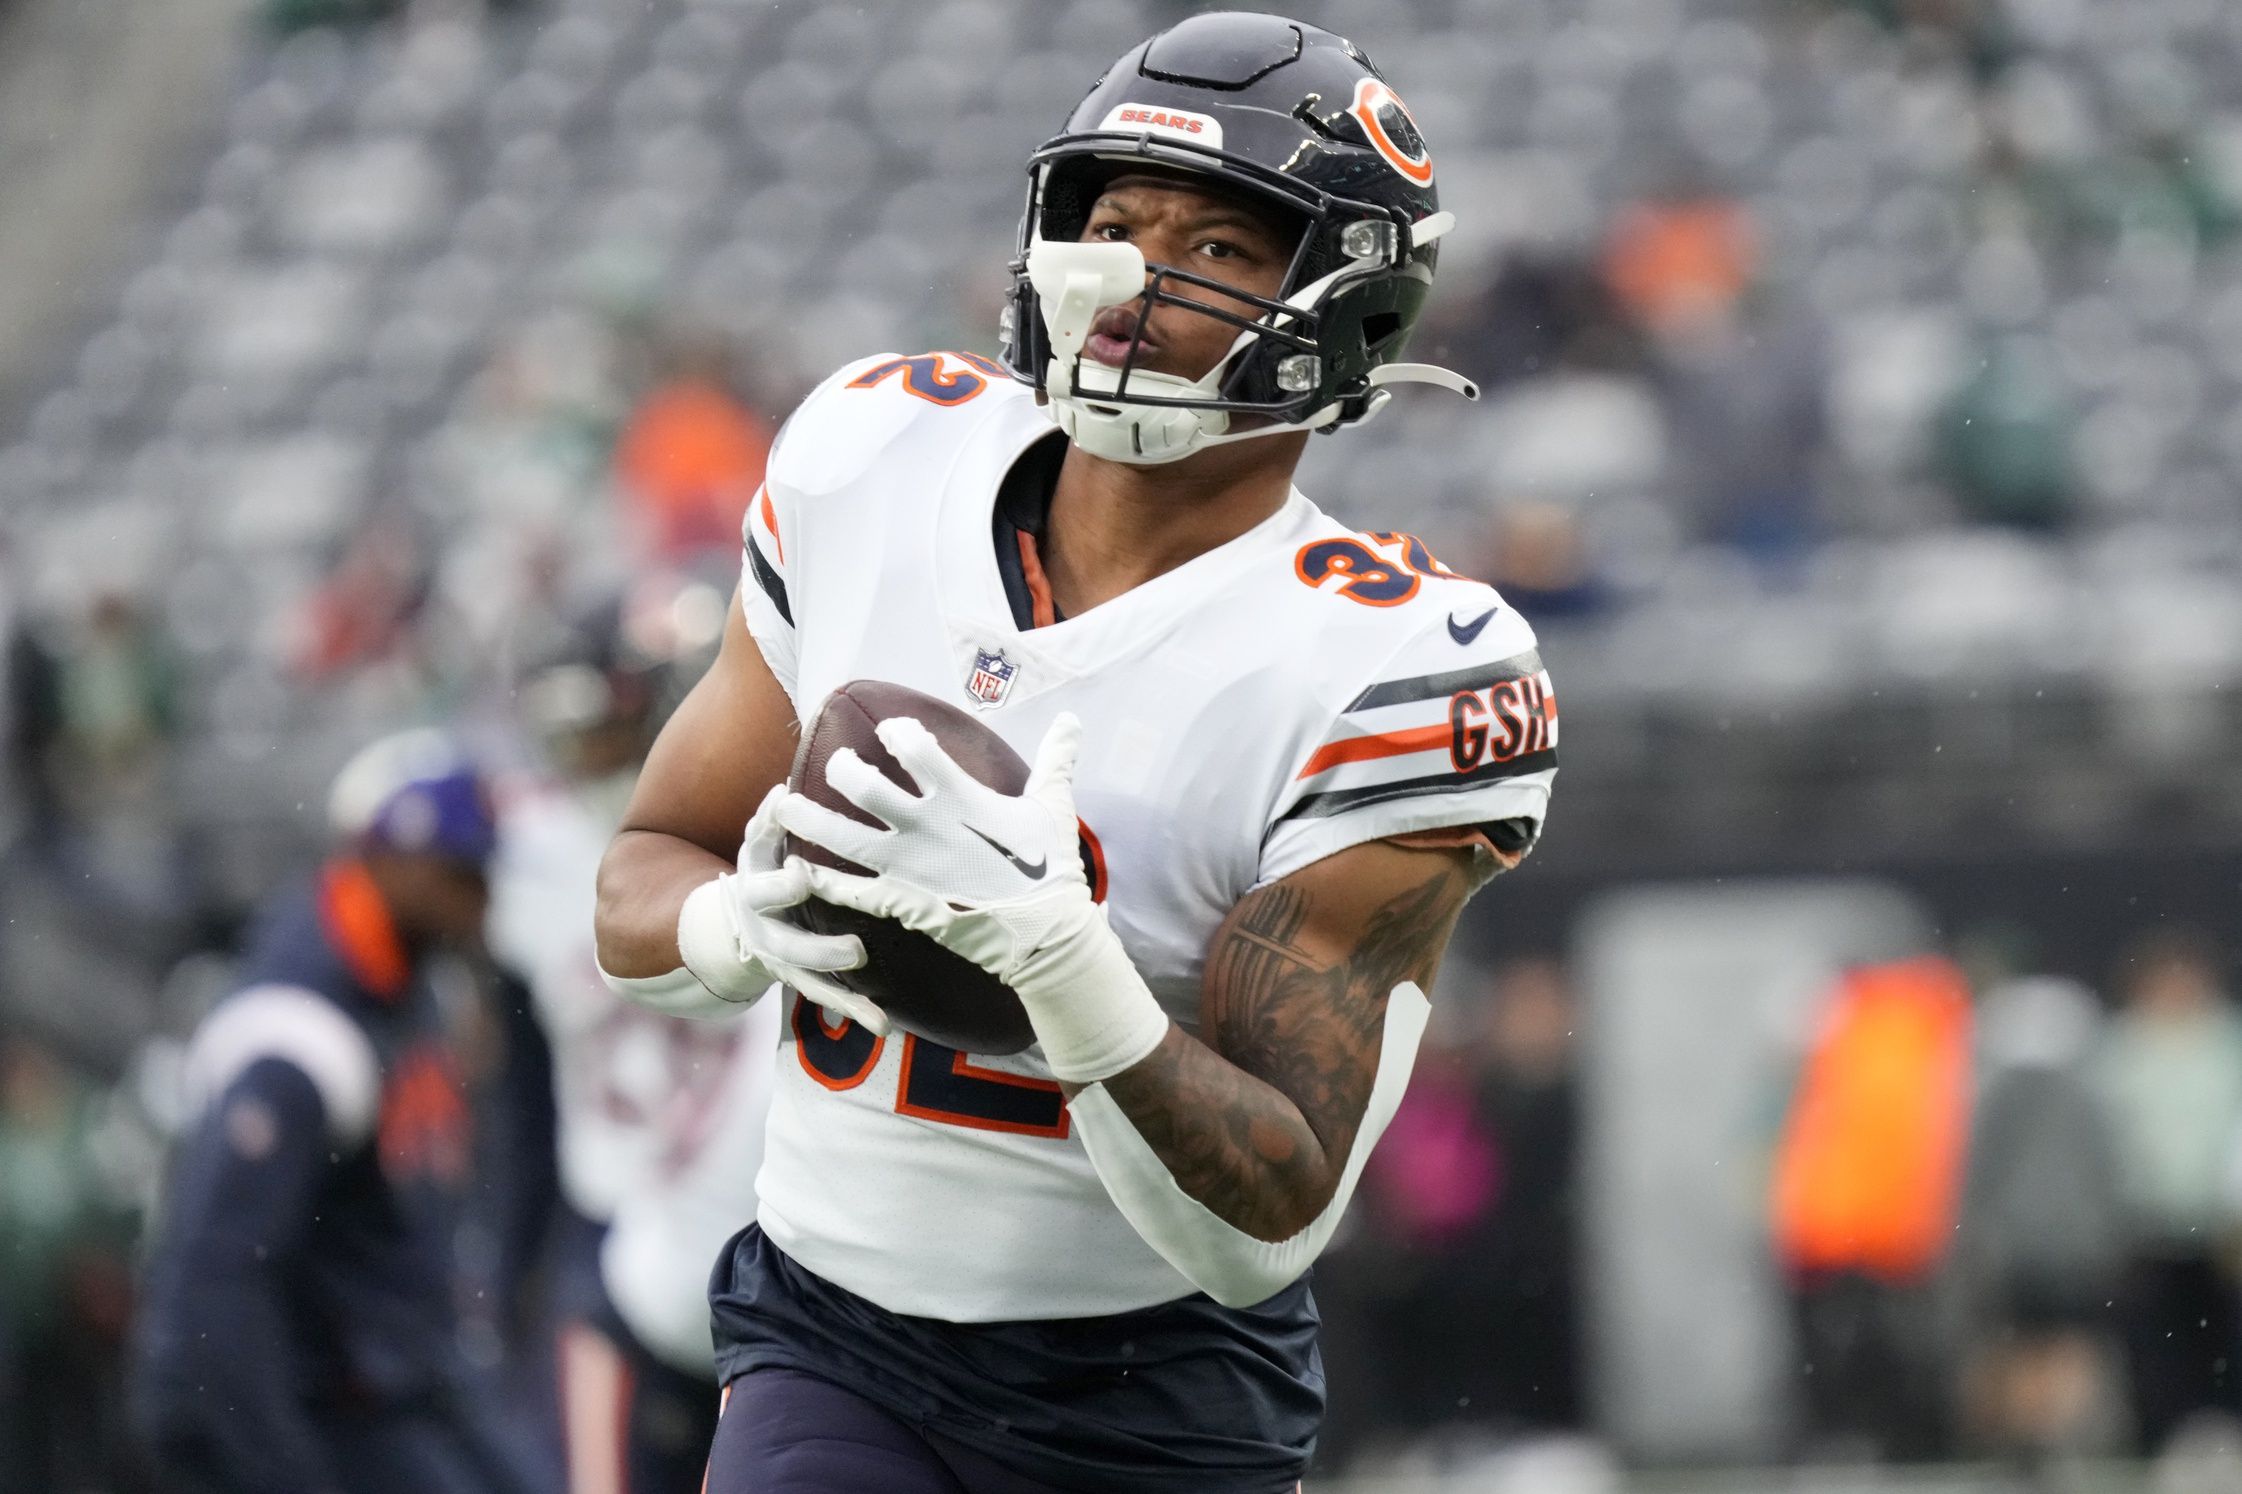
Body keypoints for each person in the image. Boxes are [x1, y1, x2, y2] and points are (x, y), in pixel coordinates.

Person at [594, 14, 1558, 1492]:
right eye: (1109, 224)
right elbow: (644, 872)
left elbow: (1263, 1225)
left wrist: (1062, 966)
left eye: (1216, 249)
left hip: (1150, 1382)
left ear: (1344, 305)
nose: (1124, 284)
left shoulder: (1388, 663)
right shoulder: (870, 460)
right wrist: (740, 920)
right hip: (829, 1335)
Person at [131, 730, 533, 1494]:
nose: (479, 897)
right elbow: (211, 1291)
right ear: (388, 858)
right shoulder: (300, 1032)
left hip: (401, 1377)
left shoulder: (411, 981)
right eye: (460, 872)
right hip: (323, 1403)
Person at [488, 628, 777, 1493]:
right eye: (566, 731)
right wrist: (509, 1259)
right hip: (607, 1206)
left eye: (599, 724)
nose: (586, 753)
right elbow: (520, 1082)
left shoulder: (739, 814)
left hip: (748, 1214)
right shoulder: (526, 855)